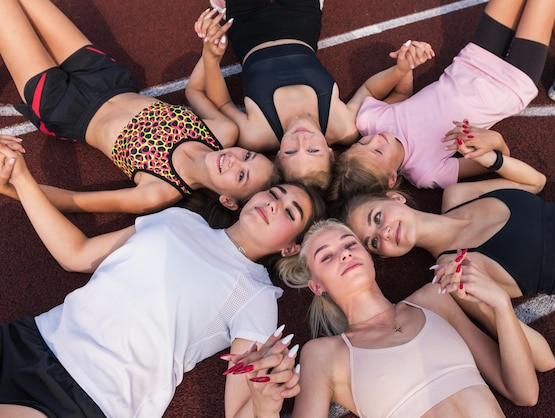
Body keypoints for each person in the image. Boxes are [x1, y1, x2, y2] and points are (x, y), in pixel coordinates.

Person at [0, 140, 326, 417]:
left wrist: (266, 401)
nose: (274, 205)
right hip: (32, 338)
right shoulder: (179, 219)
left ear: (289, 248)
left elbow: (238, 409)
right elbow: (76, 254)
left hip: (89, 396)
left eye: (289, 212)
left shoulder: (256, 295)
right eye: (275, 193)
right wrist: (21, 176)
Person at [0, 0, 278, 215]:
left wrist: (9, 187)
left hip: (62, 105)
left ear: (228, 200)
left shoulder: (159, 192)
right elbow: (197, 91)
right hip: (105, 77)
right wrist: (210, 53)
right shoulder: (223, 131)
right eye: (248, 157)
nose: (235, 160)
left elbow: (74, 201)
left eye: (241, 175)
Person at [270, 219, 546, 417]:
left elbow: (524, 393)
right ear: (317, 286)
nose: (344, 254)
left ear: (367, 255)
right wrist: (263, 402)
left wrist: (499, 305)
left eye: (350, 244)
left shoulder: (433, 299)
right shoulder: (323, 354)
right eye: (326, 256)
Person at [342, 125, 555, 316]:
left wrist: (491, 157)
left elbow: (536, 183)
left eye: (377, 218)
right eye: (375, 242)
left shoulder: (457, 194)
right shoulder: (452, 275)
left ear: (395, 198)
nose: (385, 232)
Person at [327, 0, 555, 200]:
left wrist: (404, 68)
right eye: (376, 150)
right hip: (508, 84)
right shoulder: (426, 172)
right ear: (392, 178)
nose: (374, 138)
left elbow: (398, 96)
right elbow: (493, 163)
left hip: (472, 61)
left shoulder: (372, 122)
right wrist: (494, 142)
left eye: (362, 142)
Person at [189, 4, 434, 191]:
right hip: (301, 24)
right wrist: (400, 70)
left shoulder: (257, 134)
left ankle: (225, 6)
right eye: (313, 150)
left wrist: (211, 55)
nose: (301, 140)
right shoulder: (342, 127)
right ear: (329, 153)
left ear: (277, 159)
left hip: (247, 31)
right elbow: (369, 91)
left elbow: (222, 103)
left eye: (291, 152)